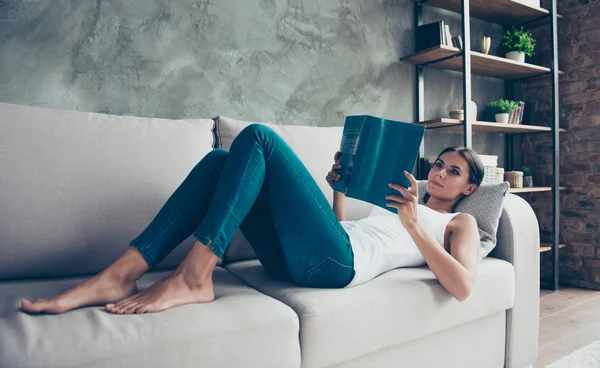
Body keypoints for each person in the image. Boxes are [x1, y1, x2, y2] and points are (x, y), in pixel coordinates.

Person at [20, 124, 483, 315]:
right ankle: (122, 273)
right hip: (309, 254)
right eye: (438, 165)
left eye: (453, 171)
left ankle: (196, 276)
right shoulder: (403, 198)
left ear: (469, 189)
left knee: (259, 137)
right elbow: (346, 230)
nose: (440, 173)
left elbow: (462, 287)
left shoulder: (457, 224)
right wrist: (340, 189)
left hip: (338, 268)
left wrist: (415, 226)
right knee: (221, 160)